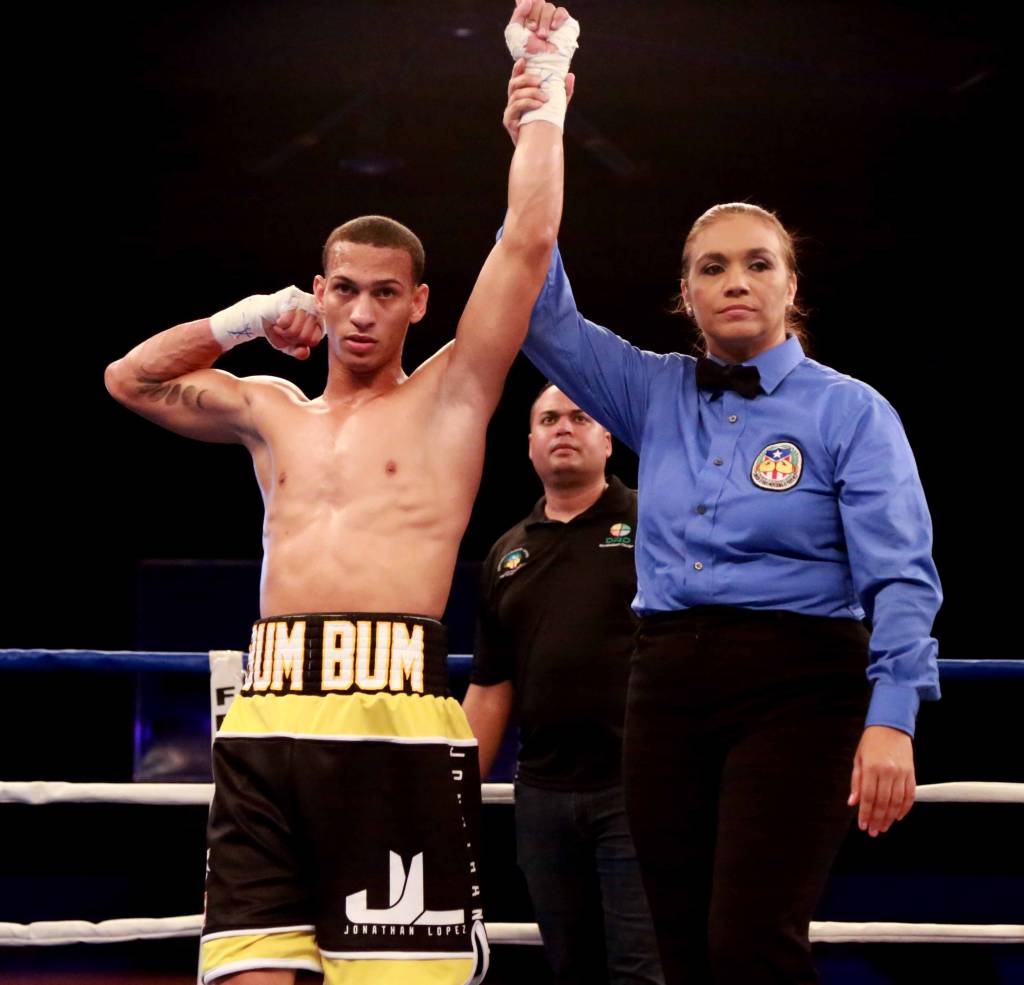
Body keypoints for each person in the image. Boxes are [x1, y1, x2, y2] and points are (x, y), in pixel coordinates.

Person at [104, 5, 579, 983]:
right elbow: (129, 380)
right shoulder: (270, 409)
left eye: (384, 292)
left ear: (417, 303)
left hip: (394, 719)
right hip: (268, 715)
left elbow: (528, 244)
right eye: (345, 289)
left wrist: (543, 94)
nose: (362, 311)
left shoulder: (451, 396)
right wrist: (242, 319)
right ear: (318, 293)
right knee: (248, 970)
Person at [503, 74, 941, 985]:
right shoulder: (654, 391)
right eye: (712, 267)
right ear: (685, 291)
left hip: (800, 684)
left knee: (751, 943)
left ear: (790, 283)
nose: (735, 280)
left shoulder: (851, 411)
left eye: (757, 263)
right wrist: (536, 134)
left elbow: (901, 573)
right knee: (679, 946)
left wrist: (892, 716)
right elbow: (538, 309)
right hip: (663, 682)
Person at [463, 384, 663, 985]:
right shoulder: (507, 553)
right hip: (543, 795)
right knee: (571, 967)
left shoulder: (657, 523)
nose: (564, 428)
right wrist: (450, 799)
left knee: (643, 968)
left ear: (608, 438)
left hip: (639, 786)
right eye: (549, 418)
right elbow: (490, 686)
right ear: (530, 444)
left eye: (580, 417)